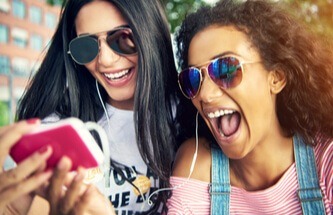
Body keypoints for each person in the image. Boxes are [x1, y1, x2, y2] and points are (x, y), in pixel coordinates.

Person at [16, 0, 185, 214]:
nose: (105, 60)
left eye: (123, 38)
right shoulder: (61, 130)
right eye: (86, 46)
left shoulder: (193, 119)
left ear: (150, 33)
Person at [168, 0, 333, 214]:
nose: (205, 95)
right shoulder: (198, 166)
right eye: (193, 78)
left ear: (276, 78)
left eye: (226, 69)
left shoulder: (326, 160)